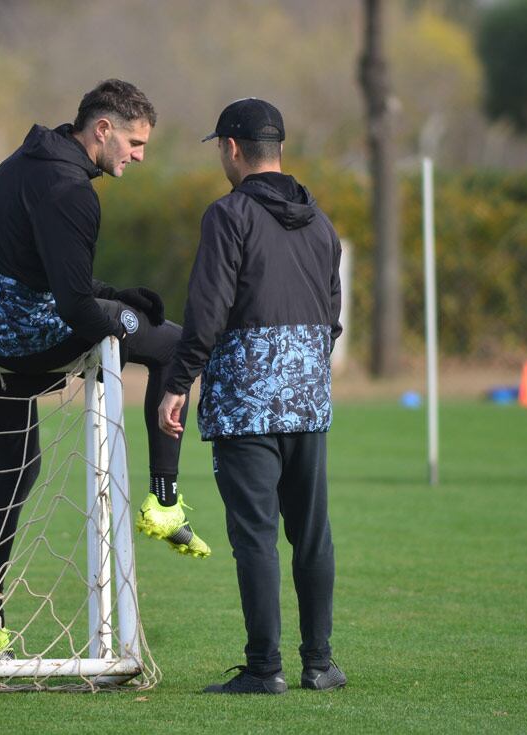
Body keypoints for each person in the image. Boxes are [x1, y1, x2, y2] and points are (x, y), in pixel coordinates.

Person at [0, 79, 209, 660]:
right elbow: (73, 309)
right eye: (136, 143)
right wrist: (124, 324)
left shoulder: (28, 159)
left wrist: (120, 299)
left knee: (16, 469)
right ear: (102, 130)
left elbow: (48, 272)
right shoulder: (73, 191)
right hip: (22, 340)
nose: (140, 155)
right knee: (174, 348)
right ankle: (163, 503)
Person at [158, 98, 344, 694]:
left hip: (245, 403)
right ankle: (320, 663)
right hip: (309, 399)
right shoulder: (321, 221)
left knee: (256, 537)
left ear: (231, 148)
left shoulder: (228, 215)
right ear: (280, 149)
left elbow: (206, 309)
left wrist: (179, 379)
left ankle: (265, 669)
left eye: (219, 146)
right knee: (311, 532)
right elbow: (332, 314)